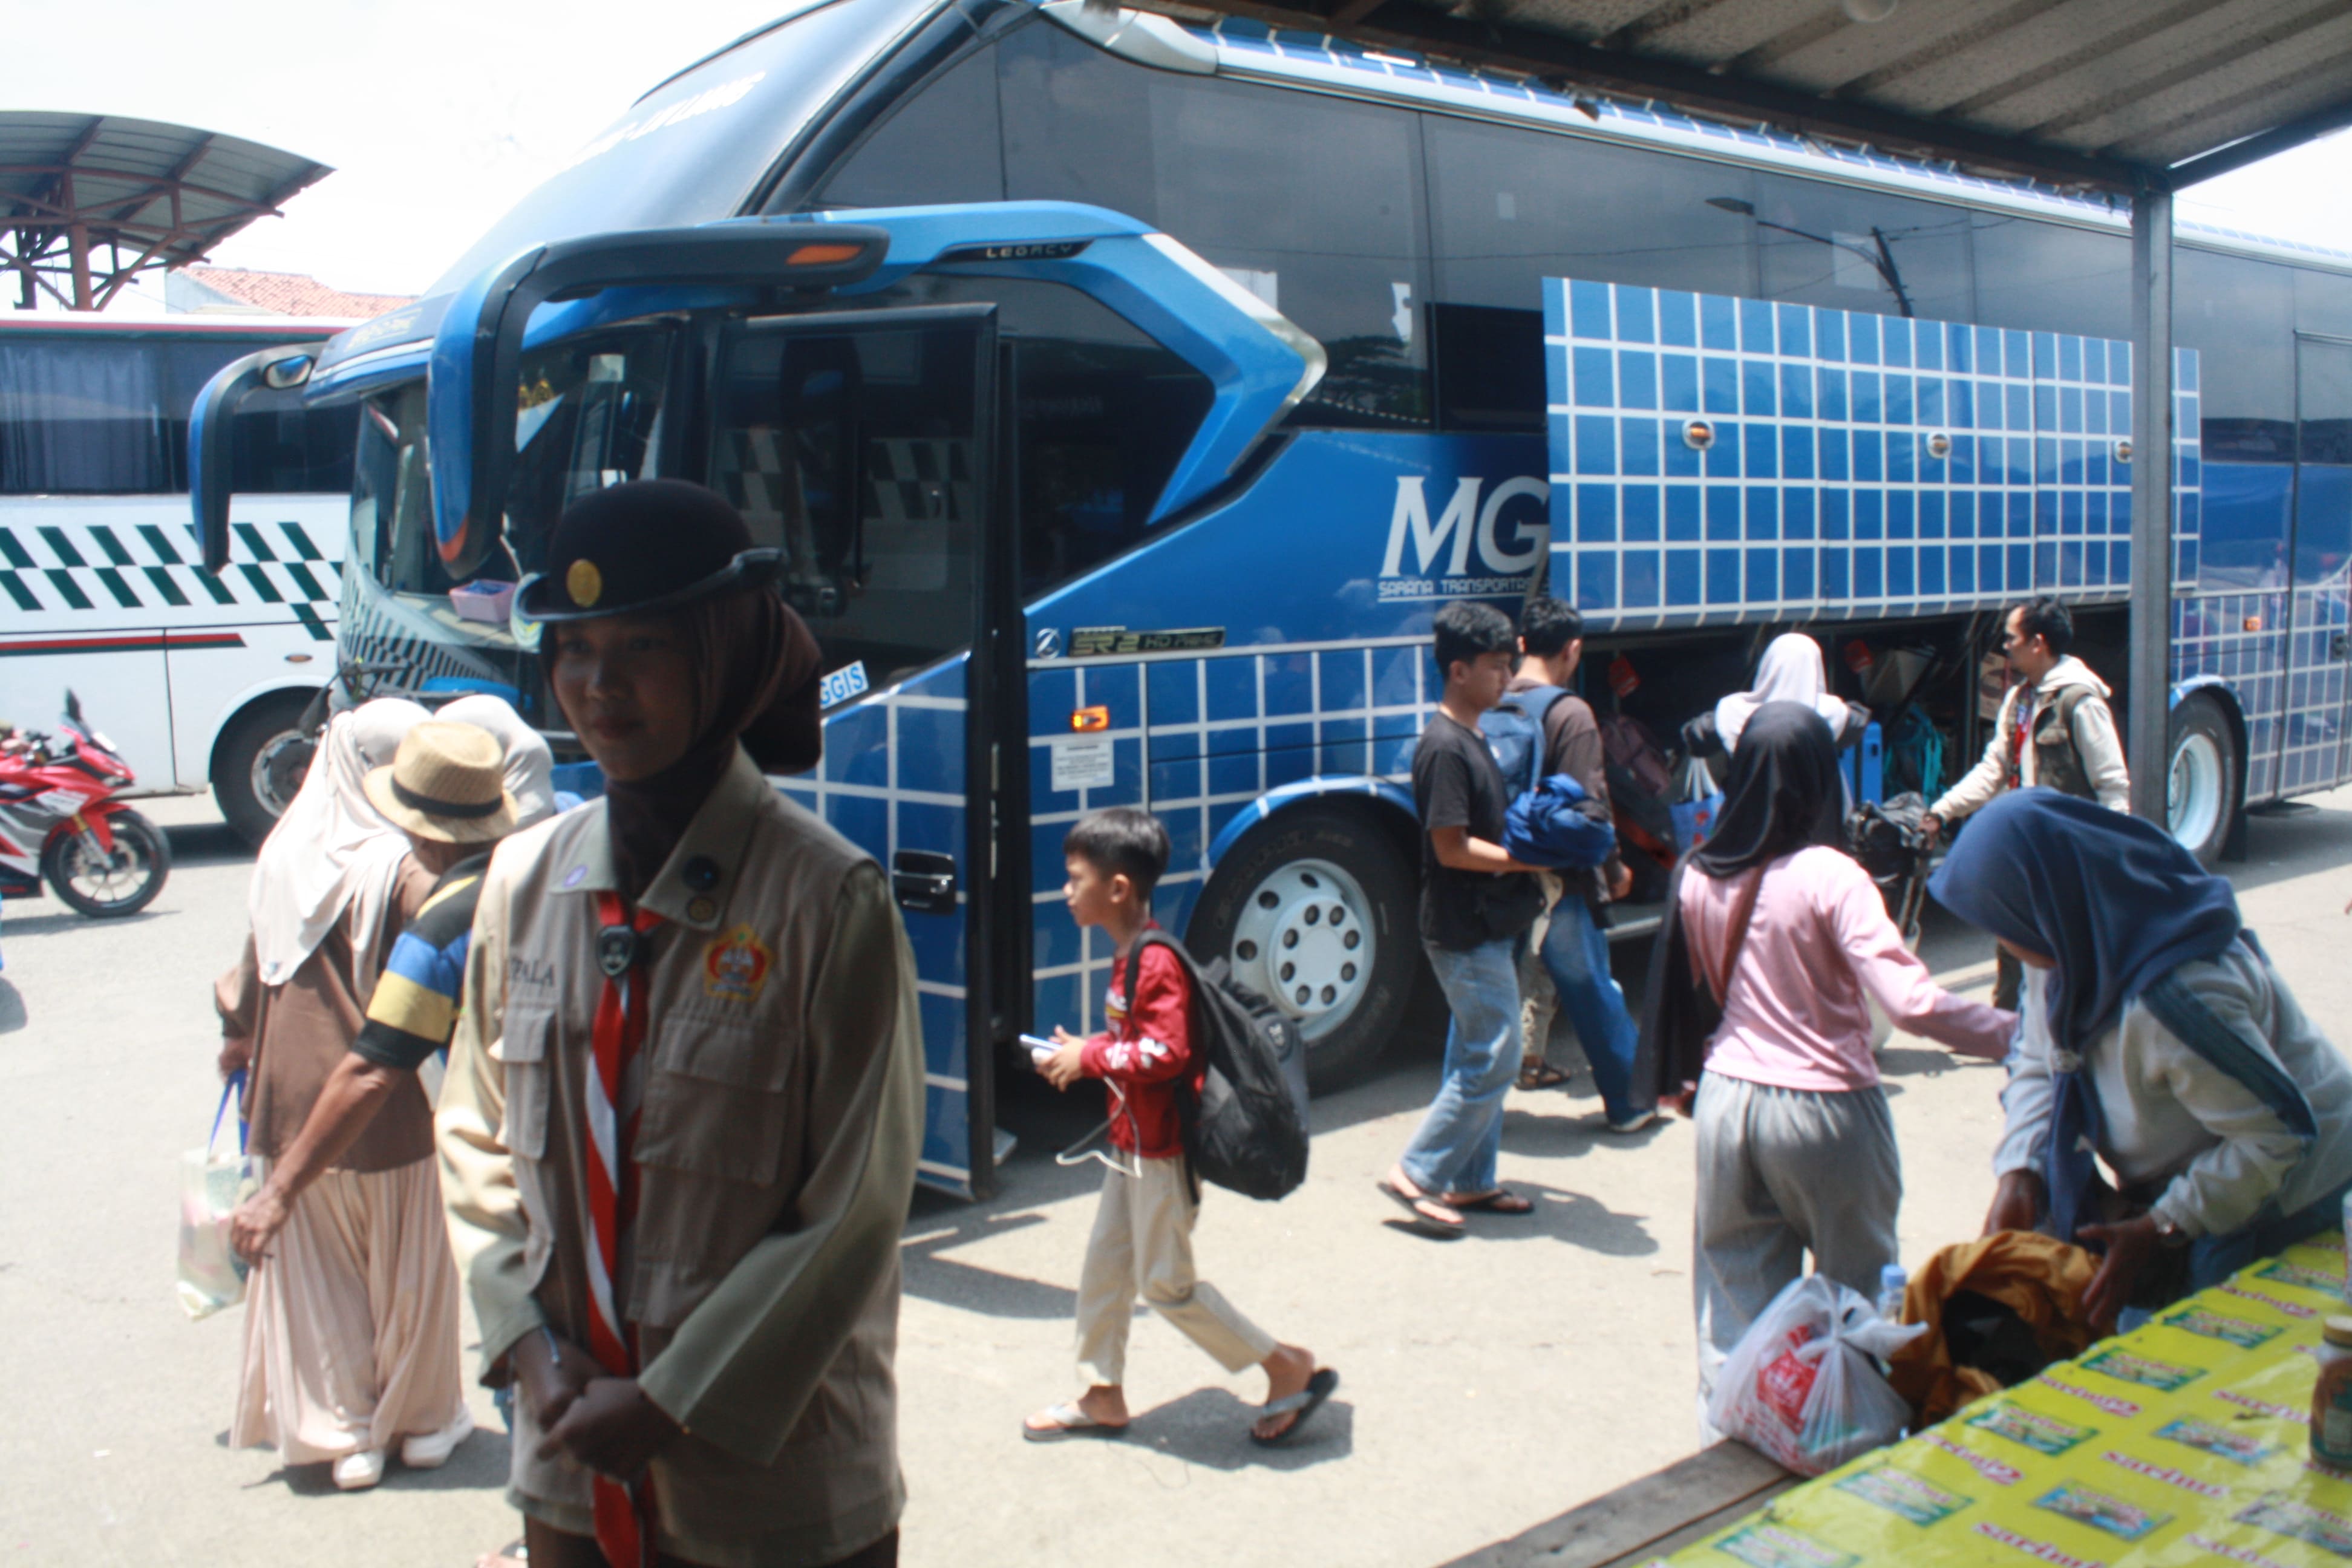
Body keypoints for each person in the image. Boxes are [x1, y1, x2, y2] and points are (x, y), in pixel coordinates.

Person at [437, 479, 924, 1568]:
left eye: (643, 646)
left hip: (771, 1485)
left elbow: (855, 1203)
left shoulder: (826, 900)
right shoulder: (522, 881)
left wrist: (671, 1401)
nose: (598, 687)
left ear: (725, 655)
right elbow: (471, 1133)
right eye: (574, 649)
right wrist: (528, 1350)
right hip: (570, 1461)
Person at [1645, 704, 2014, 1408]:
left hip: (1726, 1103)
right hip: (1828, 1111)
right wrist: (2018, 1035)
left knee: (1733, 1312)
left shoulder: (1699, 873)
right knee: (1855, 1309)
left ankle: (1730, 1444)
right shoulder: (1833, 875)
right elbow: (1910, 1005)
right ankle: (1847, 1447)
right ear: (1820, 778)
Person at [1932, 790, 2352, 1327]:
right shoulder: (2068, 944)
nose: (2003, 940)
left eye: (2003, 923)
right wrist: (2021, 1172)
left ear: (2043, 906)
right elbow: (2039, 1059)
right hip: (2193, 1176)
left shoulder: (2177, 1002)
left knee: (2209, 1354)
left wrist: (2163, 1225)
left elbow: (2278, 1137)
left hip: (2288, 1191)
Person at [214, 695, 475, 1492]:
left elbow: (250, 975)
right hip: (387, 1097)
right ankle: (422, 1423)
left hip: (289, 1101)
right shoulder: (403, 868)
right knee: (409, 1268)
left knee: (318, 1277)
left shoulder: (284, 851)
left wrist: (236, 1037)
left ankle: (344, 1434)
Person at [1023, 807, 1336, 1445]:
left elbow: (1166, 1053)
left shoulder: (1154, 960)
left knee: (1166, 1286)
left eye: (1075, 878)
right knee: (1106, 1272)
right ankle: (1101, 1394)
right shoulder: (1130, 954)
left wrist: (1091, 1058)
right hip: (1131, 1146)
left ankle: (1284, 1365)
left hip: (1161, 1153)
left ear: (1117, 888)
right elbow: (1138, 1042)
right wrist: (1084, 1051)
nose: (1066, 890)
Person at [228, 709, 551, 1284]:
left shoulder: (438, 930)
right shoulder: (548, 876)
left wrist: (276, 1193)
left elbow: (372, 1070)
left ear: (420, 831)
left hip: (510, 1153)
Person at [1380, 599, 1546, 1236]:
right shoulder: (1445, 747)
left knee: (1476, 1052)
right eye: (1496, 666)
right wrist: (1527, 860)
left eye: (1508, 664)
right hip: (1462, 928)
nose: (1507, 678)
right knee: (1498, 1055)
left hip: (1487, 923)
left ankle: (1472, 1179)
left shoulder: (1474, 734)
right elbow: (1451, 848)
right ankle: (1418, 1171)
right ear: (1458, 671)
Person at [1922, 596, 2129, 1010]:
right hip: (2025, 856)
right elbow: (1993, 770)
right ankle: (2009, 1029)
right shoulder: (2020, 699)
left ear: (2038, 643)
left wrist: (2108, 863)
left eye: (2011, 639)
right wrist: (1941, 811)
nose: (2005, 648)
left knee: (2065, 966)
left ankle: (2066, 1032)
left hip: (2068, 860)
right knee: (2014, 958)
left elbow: (2113, 788)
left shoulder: (2080, 702)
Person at [1505, 597, 1656, 1132]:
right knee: (1591, 986)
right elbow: (1591, 809)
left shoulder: (1491, 701)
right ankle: (1631, 1103)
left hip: (1497, 871)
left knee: (1492, 990)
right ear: (1573, 650)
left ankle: (1470, 1111)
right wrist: (1614, 872)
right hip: (1559, 881)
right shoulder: (1570, 714)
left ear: (1521, 644)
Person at [1682, 632, 1868, 760]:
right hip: (1815, 806)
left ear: (1768, 666)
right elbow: (1860, 719)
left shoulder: (1735, 712)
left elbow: (1695, 738)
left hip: (1750, 804)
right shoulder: (1832, 714)